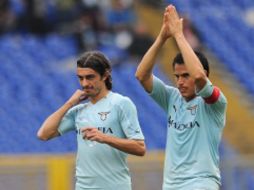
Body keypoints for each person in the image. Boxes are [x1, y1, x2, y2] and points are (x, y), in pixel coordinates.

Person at [135, 5, 227, 190]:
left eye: (186, 76)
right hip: (171, 185)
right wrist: (162, 37)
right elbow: (142, 75)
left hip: (201, 183)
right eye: (177, 76)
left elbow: (199, 77)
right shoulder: (172, 98)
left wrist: (179, 35)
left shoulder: (214, 103)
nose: (180, 82)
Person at [37, 51, 146, 190]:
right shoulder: (78, 111)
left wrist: (104, 137)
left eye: (90, 77)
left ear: (105, 75)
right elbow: (43, 134)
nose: (85, 83)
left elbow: (140, 148)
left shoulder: (121, 103)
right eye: (80, 78)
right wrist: (70, 103)